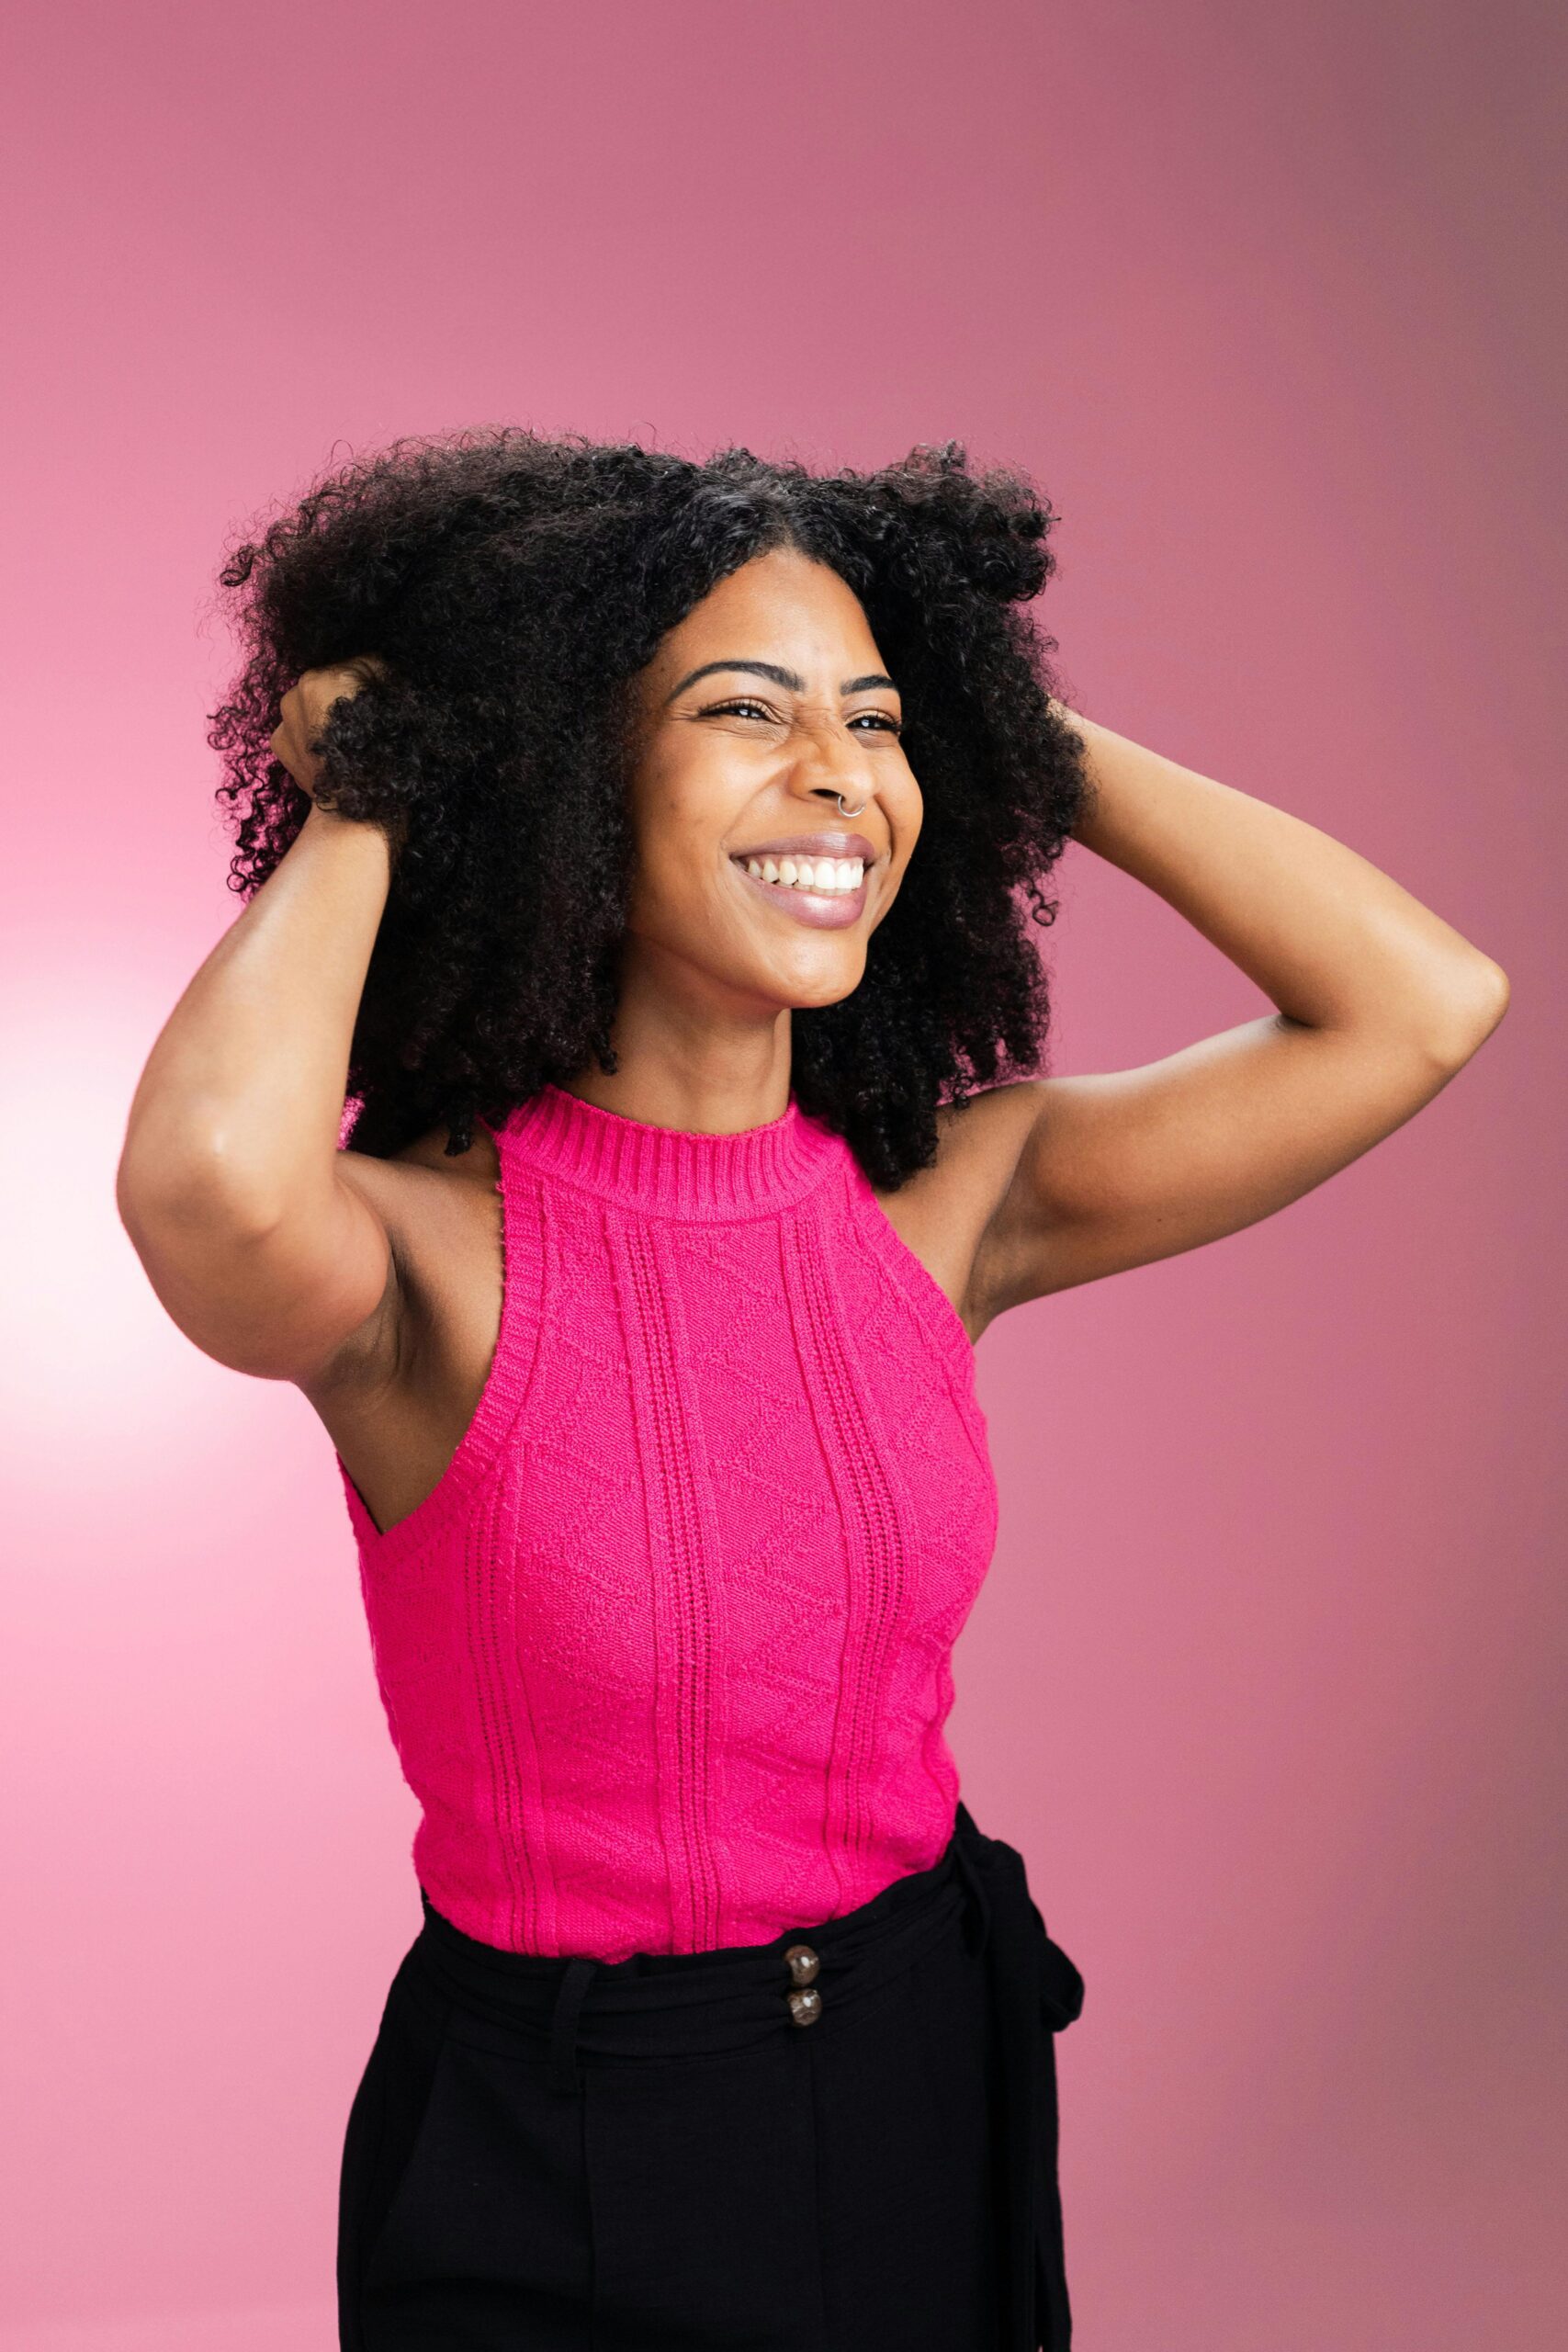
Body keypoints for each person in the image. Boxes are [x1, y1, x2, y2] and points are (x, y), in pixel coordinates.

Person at [116, 431, 1508, 2351]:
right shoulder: (415, 1258)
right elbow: (201, 1182)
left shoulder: (949, 1200)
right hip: (561, 2123)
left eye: (872, 722)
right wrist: (378, 789)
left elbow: (1416, 1000)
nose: (838, 777)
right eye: (747, 714)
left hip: (923, 2046)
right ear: (572, 781)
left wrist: (1011, 731)